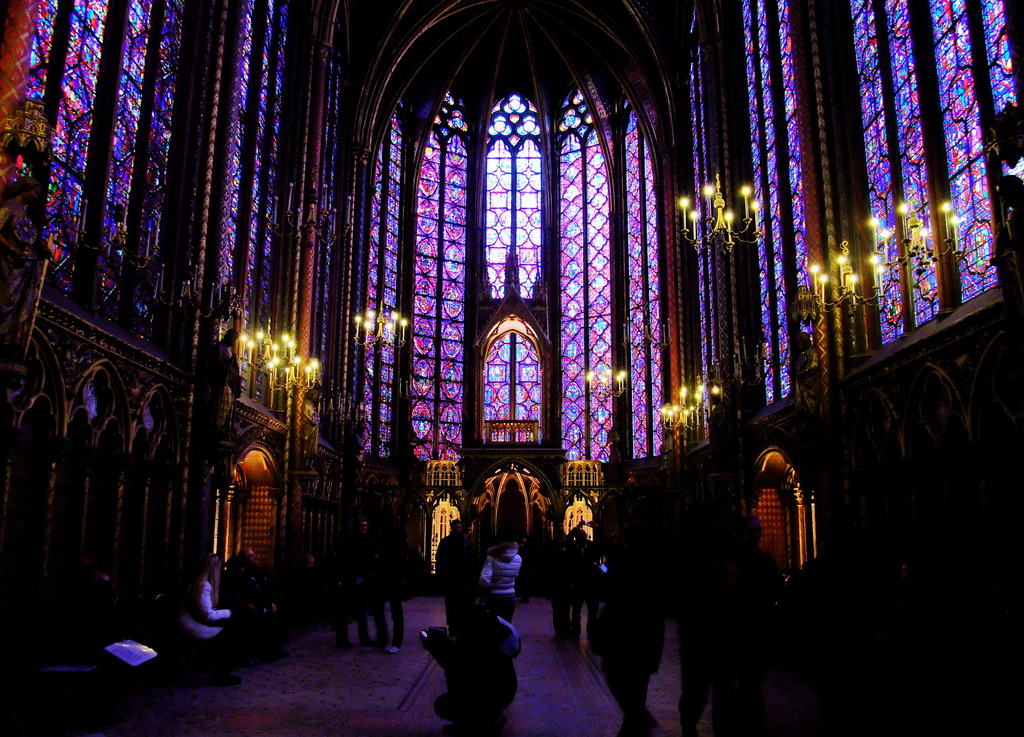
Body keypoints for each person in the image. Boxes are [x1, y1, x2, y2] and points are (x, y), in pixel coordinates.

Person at [594, 520, 664, 737]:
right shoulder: (655, 562)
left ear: (625, 539)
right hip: (648, 631)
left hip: (623, 631)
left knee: (618, 676)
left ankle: (636, 719)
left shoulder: (620, 560)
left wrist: (601, 569)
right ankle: (633, 723)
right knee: (639, 681)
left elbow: (605, 581)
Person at [421, 603, 519, 736]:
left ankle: (485, 721)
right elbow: (462, 654)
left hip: (491, 694)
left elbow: (454, 667)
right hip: (504, 690)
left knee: (443, 705)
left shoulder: (474, 638)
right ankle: (486, 717)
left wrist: (434, 648)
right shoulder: (492, 631)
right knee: (460, 687)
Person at [734, 515, 784, 737]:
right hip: (739, 628)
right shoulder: (732, 560)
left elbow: (777, 592)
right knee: (748, 678)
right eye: (752, 530)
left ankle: (747, 719)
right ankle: (751, 721)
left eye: (758, 530)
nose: (756, 534)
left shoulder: (765, 562)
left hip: (758, 628)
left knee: (751, 678)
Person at [0, 177, 48, 359]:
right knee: (4, 299)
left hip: (21, 267)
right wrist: (12, 249)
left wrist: (40, 252)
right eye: (35, 191)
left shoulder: (23, 212)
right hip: (6, 263)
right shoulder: (9, 206)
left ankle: (9, 341)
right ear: (25, 188)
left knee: (19, 303)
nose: (36, 196)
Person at [177, 553, 242, 686]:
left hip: (193, 619)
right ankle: (221, 674)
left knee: (232, 628)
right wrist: (229, 612)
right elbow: (208, 614)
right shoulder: (203, 585)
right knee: (228, 636)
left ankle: (223, 671)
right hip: (190, 623)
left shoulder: (200, 582)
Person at [220, 548, 288, 662]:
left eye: (254, 554)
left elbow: (265, 591)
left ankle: (272, 650)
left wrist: (270, 603)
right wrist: (263, 608)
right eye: (251, 556)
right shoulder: (242, 576)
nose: (255, 557)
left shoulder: (259, 573)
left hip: (258, 605)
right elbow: (247, 596)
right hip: (245, 609)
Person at [435, 518, 476, 637]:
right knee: (451, 605)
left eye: (459, 527)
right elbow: (440, 559)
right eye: (456, 527)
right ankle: (453, 628)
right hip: (451, 579)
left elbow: (471, 559)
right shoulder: (447, 542)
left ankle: (460, 628)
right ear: (452, 528)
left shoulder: (466, 542)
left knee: (461, 605)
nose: (458, 530)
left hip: (462, 578)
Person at [373, 525, 408, 653]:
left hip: (388, 579)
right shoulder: (397, 540)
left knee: (387, 610)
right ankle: (394, 642)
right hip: (391, 580)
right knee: (395, 612)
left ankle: (387, 639)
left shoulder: (383, 542)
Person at [205, 328, 241, 441]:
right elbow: (216, 367)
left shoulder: (228, 351)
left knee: (227, 413)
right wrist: (230, 363)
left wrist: (234, 364)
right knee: (219, 413)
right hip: (221, 386)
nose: (234, 342)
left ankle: (224, 429)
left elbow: (231, 370)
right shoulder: (220, 348)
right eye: (234, 339)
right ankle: (217, 430)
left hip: (229, 386)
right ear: (228, 336)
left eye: (236, 340)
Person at [478, 533, 522, 622]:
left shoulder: (492, 558)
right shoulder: (518, 558)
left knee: (492, 625)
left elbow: (484, 579)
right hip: (510, 594)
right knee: (506, 625)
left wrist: (484, 589)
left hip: (494, 595)